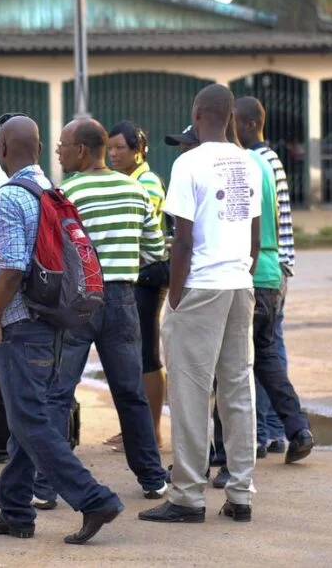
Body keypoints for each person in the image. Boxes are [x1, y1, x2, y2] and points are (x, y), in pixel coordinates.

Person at [0, 116, 123, 544]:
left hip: (20, 324)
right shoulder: (51, 191)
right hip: (53, 319)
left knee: (31, 421)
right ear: (37, 148)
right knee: (27, 419)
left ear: (2, 146)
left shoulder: (8, 197)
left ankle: (94, 499)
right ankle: (15, 510)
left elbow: (13, 267)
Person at [29, 118, 169, 510]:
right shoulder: (135, 189)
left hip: (77, 302)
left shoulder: (66, 192)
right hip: (123, 300)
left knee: (58, 393)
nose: (59, 151)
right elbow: (156, 249)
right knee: (130, 391)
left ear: (84, 150)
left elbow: (53, 248)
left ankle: (45, 486)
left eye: (64, 145)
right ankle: (153, 479)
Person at [139, 84, 261, 524]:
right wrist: (239, 272)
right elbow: (255, 237)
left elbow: (183, 239)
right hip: (238, 284)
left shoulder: (188, 162)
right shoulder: (249, 162)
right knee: (238, 389)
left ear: (198, 112)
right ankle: (241, 493)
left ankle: (188, 495)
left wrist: (175, 296)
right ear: (229, 115)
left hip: (202, 285)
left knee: (191, 391)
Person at [211, 98, 314, 489]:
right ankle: (298, 429)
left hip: (248, 273)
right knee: (267, 358)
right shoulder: (264, 165)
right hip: (270, 272)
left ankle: (234, 452)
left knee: (231, 367)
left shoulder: (241, 165)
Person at [235, 95, 301, 458]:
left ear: (247, 126)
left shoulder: (257, 161)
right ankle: (277, 430)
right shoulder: (271, 159)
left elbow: (262, 224)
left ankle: (263, 431)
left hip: (267, 268)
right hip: (278, 266)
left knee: (259, 352)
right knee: (270, 349)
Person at [102, 120, 170, 451]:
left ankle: (153, 431)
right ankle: (134, 429)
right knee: (128, 355)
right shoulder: (126, 179)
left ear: (138, 149)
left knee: (146, 355)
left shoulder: (148, 183)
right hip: (131, 275)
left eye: (119, 148)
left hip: (147, 275)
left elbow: (142, 229)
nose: (113, 154)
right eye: (109, 148)